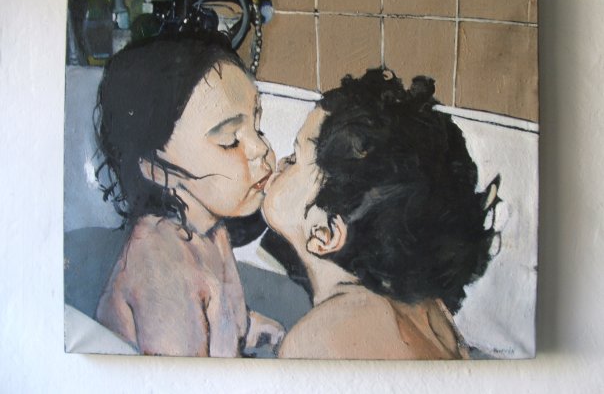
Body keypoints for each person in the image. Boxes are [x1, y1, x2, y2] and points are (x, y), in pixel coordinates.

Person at [261, 68, 499, 359]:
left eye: (295, 158)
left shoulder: (319, 338)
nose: (281, 163)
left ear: (325, 233)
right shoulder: (430, 311)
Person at [94, 33, 284, 357]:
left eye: (258, 126)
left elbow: (230, 323)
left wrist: (257, 329)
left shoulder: (211, 231)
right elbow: (182, 379)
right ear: (156, 168)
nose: (261, 148)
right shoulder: (161, 270)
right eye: (229, 140)